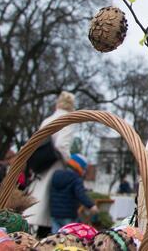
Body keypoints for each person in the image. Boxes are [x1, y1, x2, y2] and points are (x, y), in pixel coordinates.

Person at [25, 91, 77, 237]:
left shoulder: (47, 120)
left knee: (39, 204)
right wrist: (69, 162)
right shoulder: (68, 119)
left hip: (41, 165)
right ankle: (46, 238)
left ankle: (36, 235)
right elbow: (61, 145)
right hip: (55, 166)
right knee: (49, 207)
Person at [49, 153, 97, 232]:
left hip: (54, 214)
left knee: (55, 237)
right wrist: (91, 205)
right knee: (69, 238)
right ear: (80, 167)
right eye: (84, 169)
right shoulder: (76, 179)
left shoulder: (56, 174)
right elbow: (80, 194)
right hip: (69, 214)